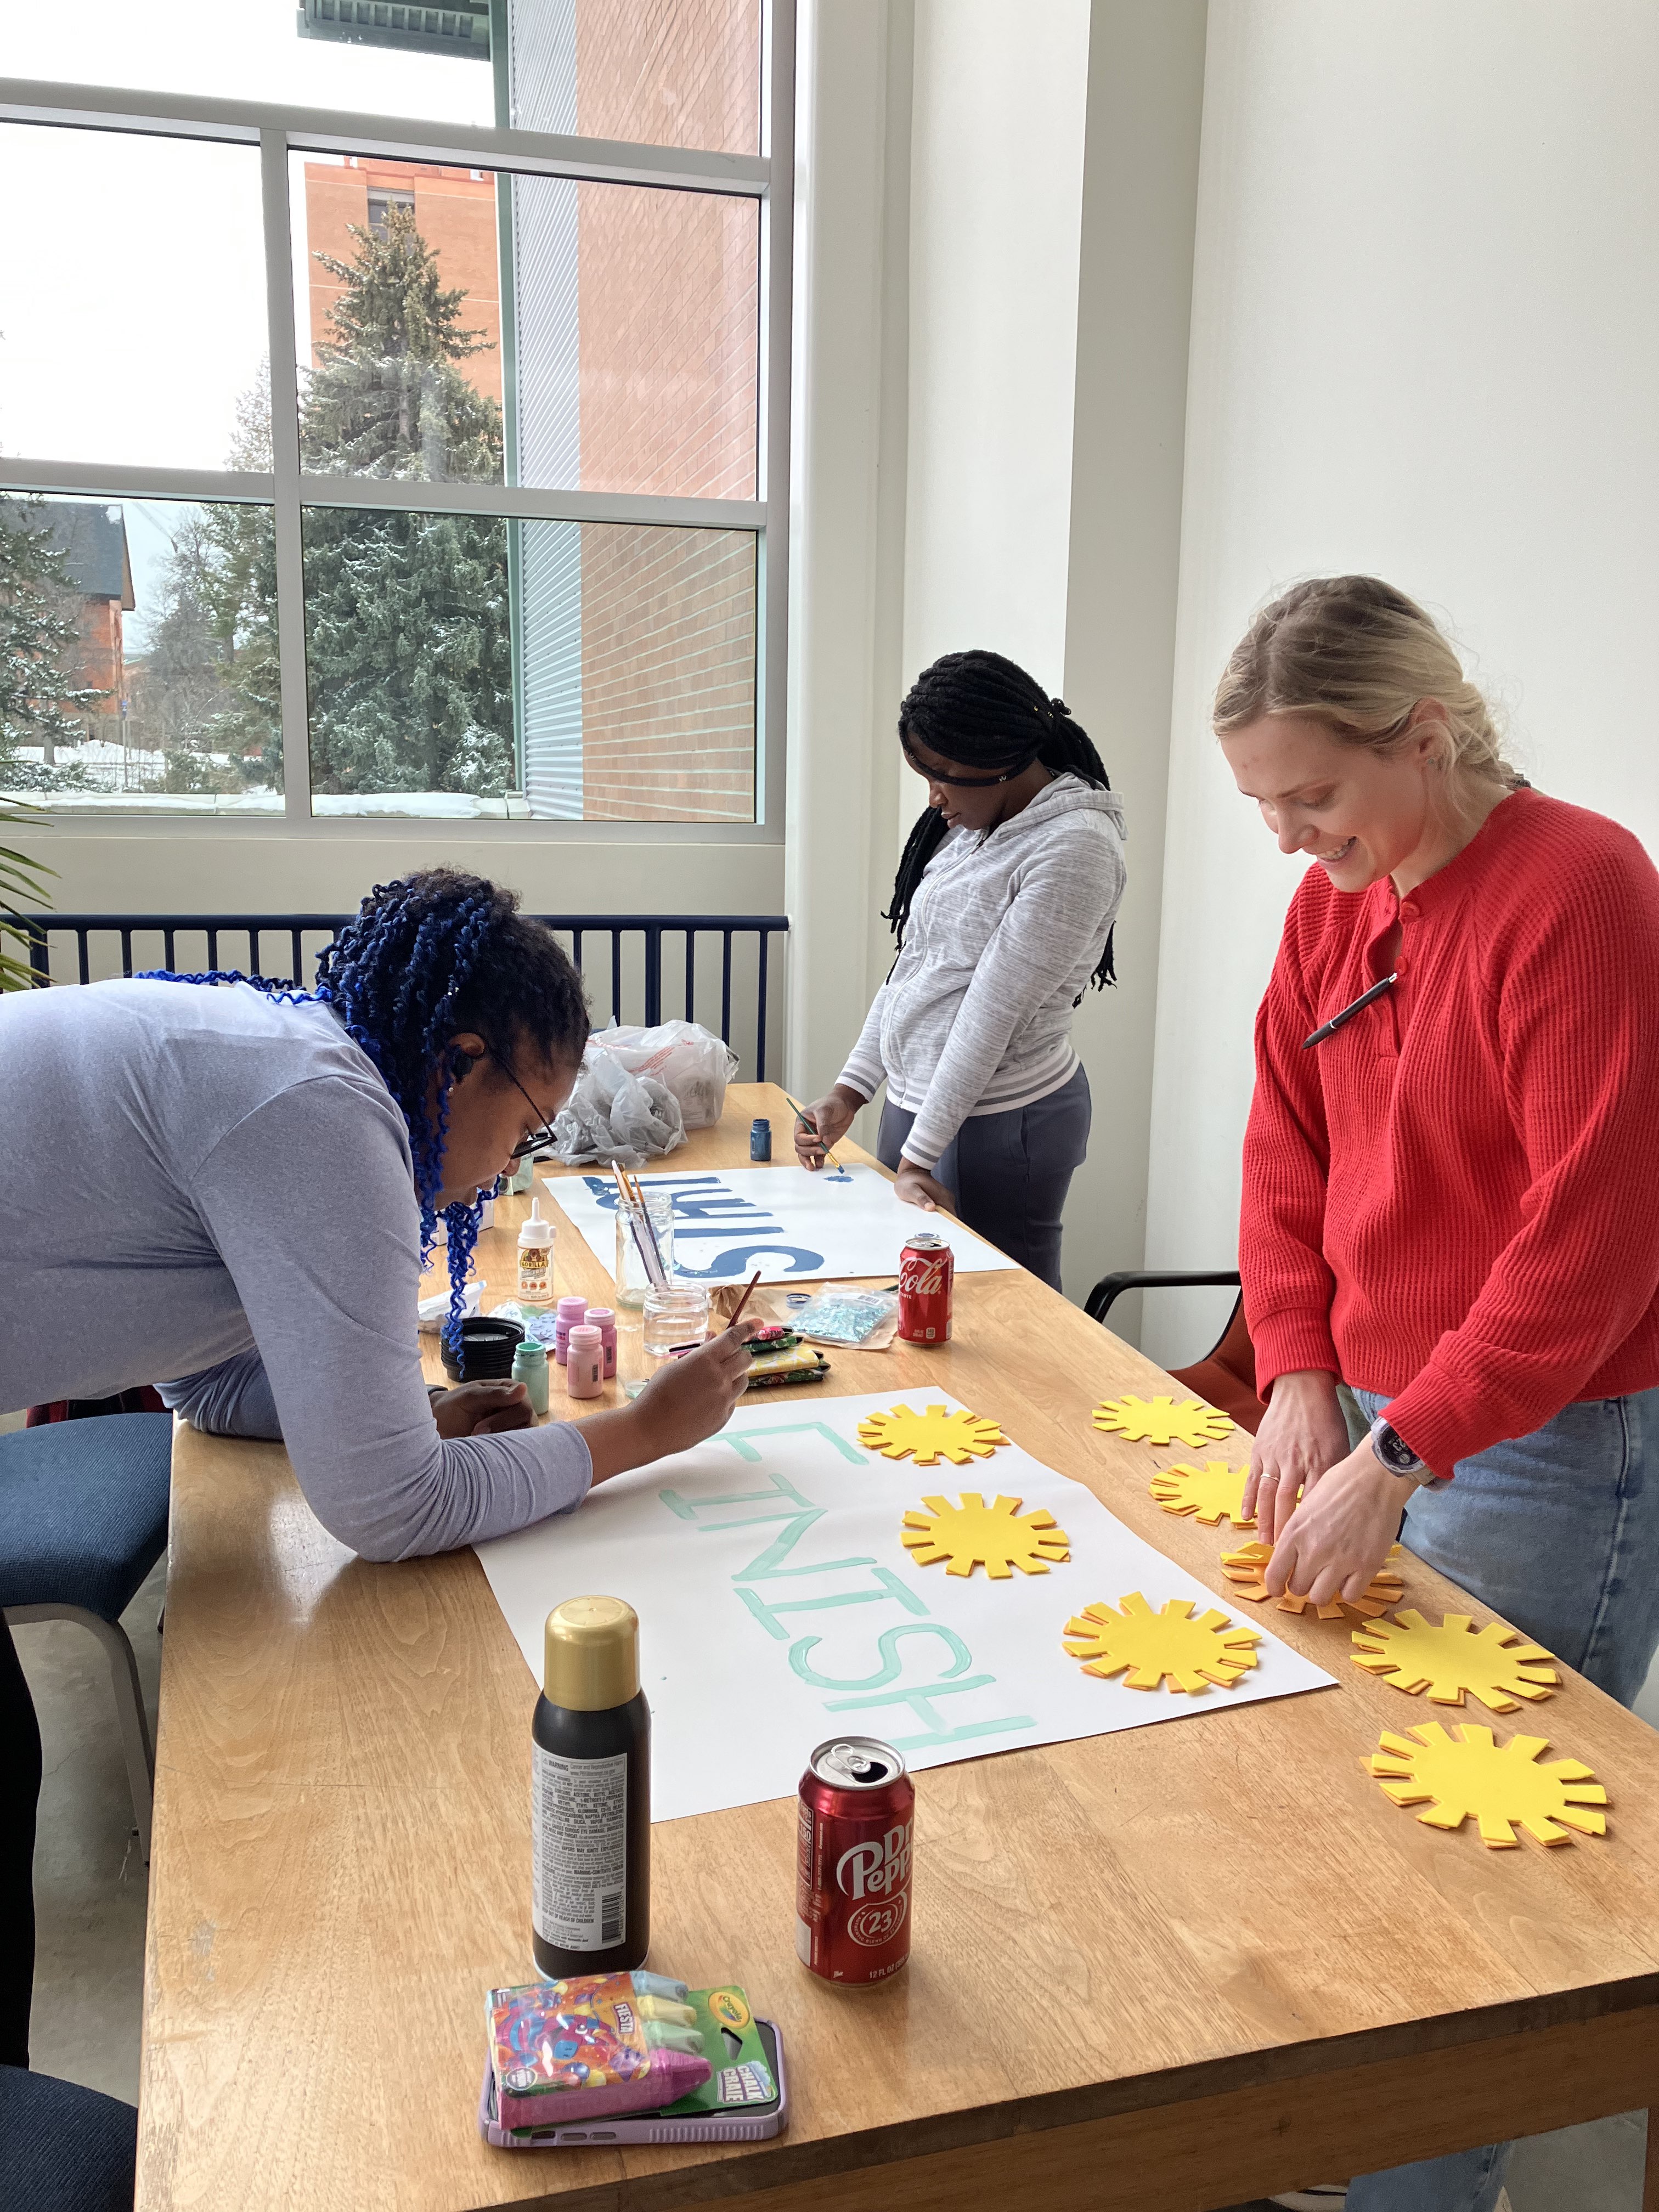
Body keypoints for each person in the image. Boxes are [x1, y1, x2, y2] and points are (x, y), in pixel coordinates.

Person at [1216, 575, 1659, 2212]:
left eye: (1311, 796)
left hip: (1546, 1439)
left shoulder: (1584, 888)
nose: (1284, 837)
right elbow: (1284, 1151)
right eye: (1262, 802)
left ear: (1425, 734)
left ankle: (1423, 2186)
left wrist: (1400, 1446)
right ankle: (1338, 2150)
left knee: (1483, 1877)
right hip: (1377, 1414)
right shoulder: (1334, 905)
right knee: (1354, 1814)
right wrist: (1301, 1371)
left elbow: (1593, 1244)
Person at [0, 868, 757, 1562]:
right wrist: (646, 1430)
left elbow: (208, 1388)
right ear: (459, 1063)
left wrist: (414, 1415)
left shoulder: (293, 1068)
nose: (507, 1169)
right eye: (528, 1130)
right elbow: (393, 1508)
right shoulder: (323, 1117)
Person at [795, 649, 1126, 1289]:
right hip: (923, 1104)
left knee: (1003, 1309)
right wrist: (850, 1092)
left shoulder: (1076, 846)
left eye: (943, 773)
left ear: (1000, 757)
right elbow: (916, 967)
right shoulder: (974, 824)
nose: (934, 796)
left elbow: (990, 1013)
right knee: (905, 1296)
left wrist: (919, 1157)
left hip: (1005, 1116)